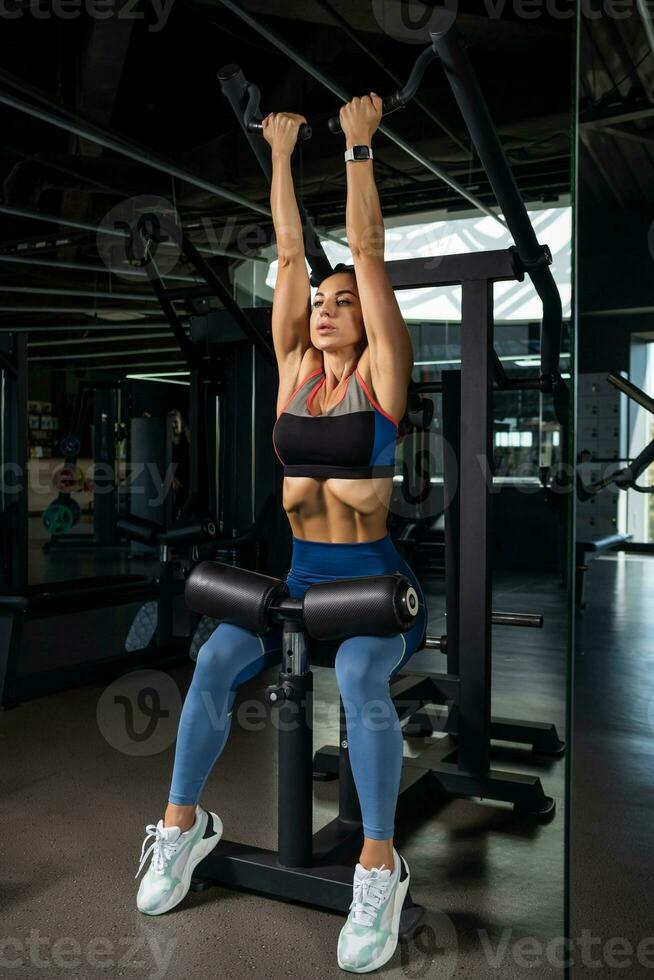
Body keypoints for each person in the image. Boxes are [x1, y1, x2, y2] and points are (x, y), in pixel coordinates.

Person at [134, 94, 428, 975]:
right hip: (301, 581)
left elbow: (364, 251)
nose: (331, 307)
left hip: (377, 589)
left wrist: (358, 149)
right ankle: (182, 826)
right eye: (324, 302)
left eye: (345, 301)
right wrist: (280, 153)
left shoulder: (382, 377)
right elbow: (293, 253)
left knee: (364, 671)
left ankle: (380, 865)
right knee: (218, 657)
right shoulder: (294, 369)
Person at [168, 408, 190, 520]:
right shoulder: (167, 441)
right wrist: (171, 478)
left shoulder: (187, 437)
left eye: (176, 422)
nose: (173, 425)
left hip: (187, 477)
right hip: (173, 479)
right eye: (171, 422)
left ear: (181, 422)